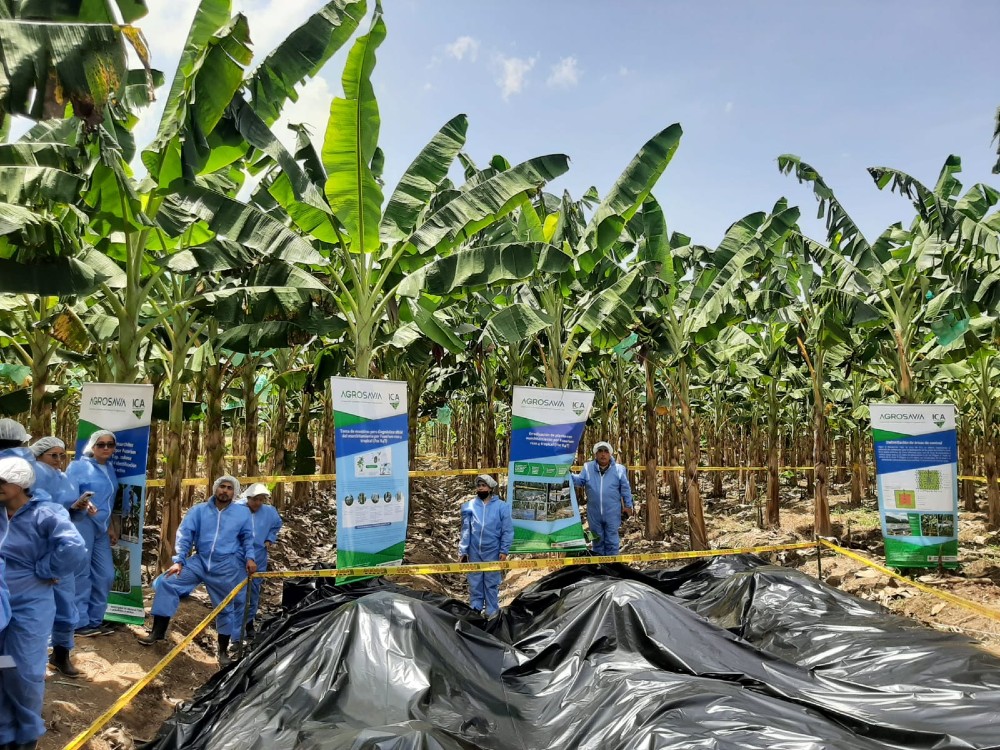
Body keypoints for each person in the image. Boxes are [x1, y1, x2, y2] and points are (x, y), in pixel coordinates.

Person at [0, 456, 87, 750]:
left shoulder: (45, 512)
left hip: (30, 601)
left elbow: (73, 546)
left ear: (21, 485)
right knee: (2, 664)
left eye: (3, 482)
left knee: (23, 667)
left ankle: (26, 734)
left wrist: (47, 569)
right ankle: (4, 730)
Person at [139, 475, 256, 667]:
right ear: (215, 489)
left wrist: (250, 558)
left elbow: (247, 538)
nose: (224, 491)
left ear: (234, 493)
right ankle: (157, 633)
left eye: (229, 488)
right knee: (168, 582)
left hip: (225, 565)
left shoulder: (242, 514)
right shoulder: (199, 511)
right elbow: (185, 536)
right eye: (222, 487)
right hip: (200, 561)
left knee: (225, 606)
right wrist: (179, 561)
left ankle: (223, 651)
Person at [31, 437, 87, 677]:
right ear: (38, 456)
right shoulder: (30, 478)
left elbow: (65, 518)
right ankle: (26, 662)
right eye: (52, 455)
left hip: (61, 551)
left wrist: (76, 509)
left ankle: (61, 655)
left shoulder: (66, 481)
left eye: (62, 456)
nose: (58, 460)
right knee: (30, 610)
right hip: (34, 552)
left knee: (66, 605)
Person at [65, 430, 120, 637]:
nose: (106, 448)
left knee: (106, 575)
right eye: (101, 444)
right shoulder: (78, 466)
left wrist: (110, 526)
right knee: (81, 572)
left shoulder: (110, 468)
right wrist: (81, 503)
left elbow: (109, 502)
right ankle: (80, 623)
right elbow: (67, 495)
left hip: (101, 528)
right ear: (92, 446)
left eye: (110, 444)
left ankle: (95, 620)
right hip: (82, 524)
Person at [458, 475, 513, 619]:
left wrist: (504, 550)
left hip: (493, 551)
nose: (480, 488)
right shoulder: (469, 506)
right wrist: (463, 550)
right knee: (475, 583)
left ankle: (491, 613)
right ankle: (475, 610)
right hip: (474, 551)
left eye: (483, 485)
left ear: (490, 488)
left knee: (491, 583)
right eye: (479, 486)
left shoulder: (502, 507)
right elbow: (466, 530)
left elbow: (507, 530)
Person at [572, 442, 634, 556]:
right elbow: (580, 481)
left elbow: (625, 489)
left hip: (612, 512)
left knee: (612, 541)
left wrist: (628, 506)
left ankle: (612, 567)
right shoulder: (588, 467)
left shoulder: (619, 469)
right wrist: (567, 475)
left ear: (610, 454)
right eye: (600, 451)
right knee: (597, 540)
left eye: (606, 451)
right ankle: (599, 568)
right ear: (596, 454)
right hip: (594, 512)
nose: (603, 454)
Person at [236, 483, 282, 635]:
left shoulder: (269, 512)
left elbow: (276, 524)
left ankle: (249, 623)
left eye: (261, 500)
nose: (257, 503)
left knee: (254, 590)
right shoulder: (236, 510)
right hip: (238, 555)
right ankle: (235, 628)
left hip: (258, 555)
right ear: (248, 498)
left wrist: (270, 538)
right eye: (255, 499)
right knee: (238, 591)